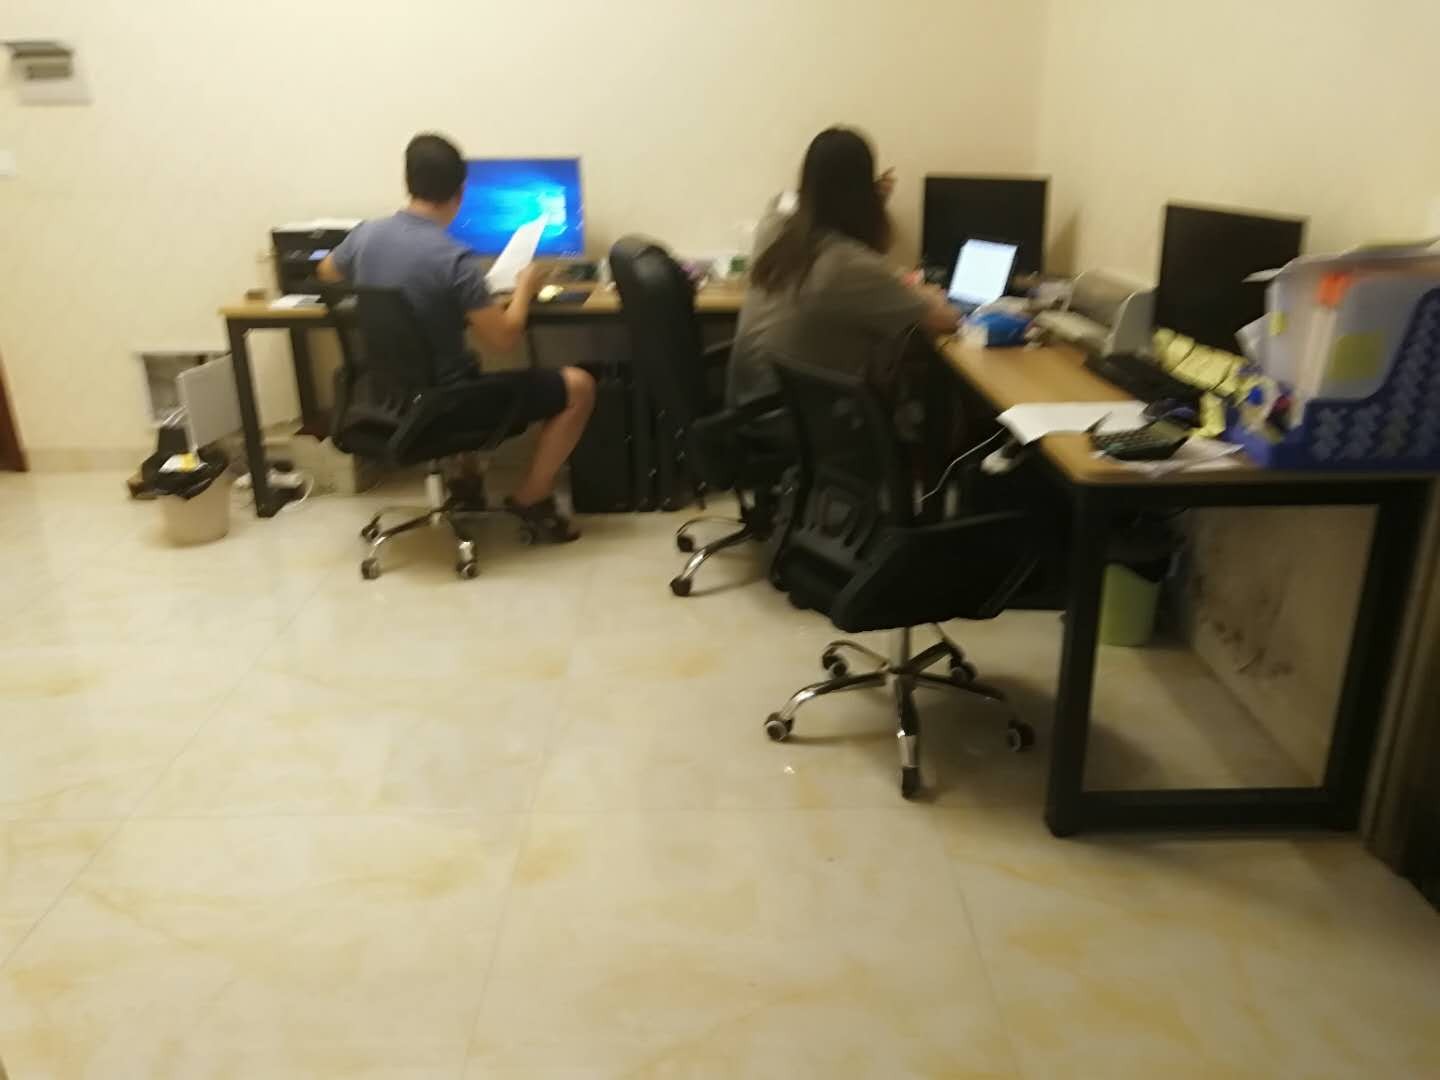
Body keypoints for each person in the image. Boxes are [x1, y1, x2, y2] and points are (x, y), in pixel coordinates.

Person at [318, 133, 594, 543]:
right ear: (460, 193)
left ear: (408, 181)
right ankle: (531, 498)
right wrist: (524, 288)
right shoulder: (453, 260)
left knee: (466, 365)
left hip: (386, 399)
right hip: (444, 406)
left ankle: (466, 484)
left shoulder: (365, 236)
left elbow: (327, 272)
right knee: (579, 386)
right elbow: (505, 338)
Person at [728, 127, 958, 408]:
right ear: (863, 195)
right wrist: (930, 294)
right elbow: (946, 320)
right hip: (796, 418)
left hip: (751, 405)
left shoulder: (774, 229)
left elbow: (786, 201)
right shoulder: (849, 264)